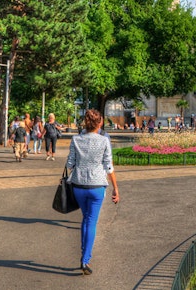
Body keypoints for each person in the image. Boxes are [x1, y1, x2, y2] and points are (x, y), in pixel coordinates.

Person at [66, 109, 120, 275]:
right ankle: (85, 259)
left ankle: (84, 252)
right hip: (97, 186)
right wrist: (116, 188)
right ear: (100, 123)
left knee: (86, 218)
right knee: (91, 221)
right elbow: (108, 167)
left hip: (79, 185)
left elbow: (70, 164)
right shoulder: (104, 141)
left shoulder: (76, 139)